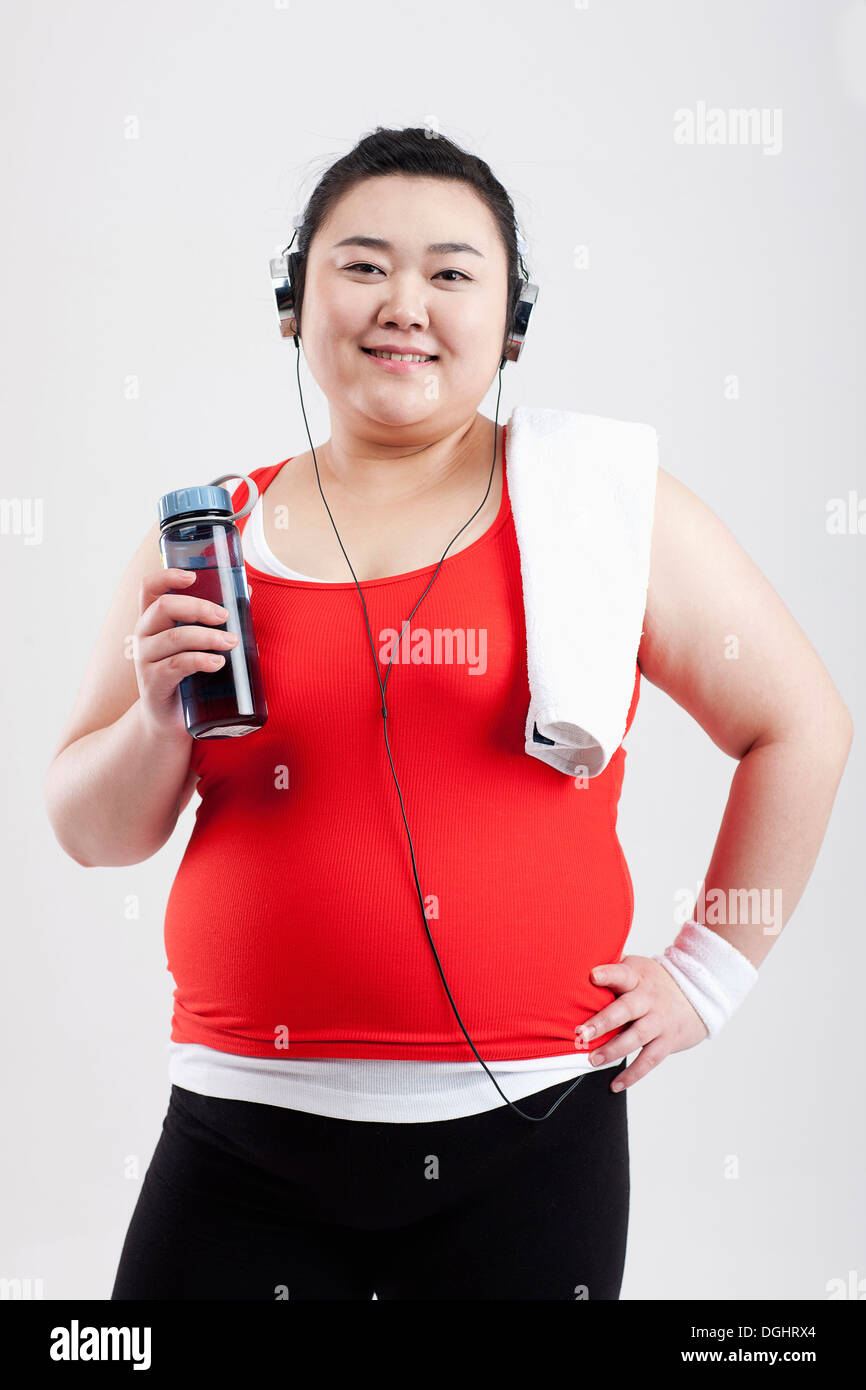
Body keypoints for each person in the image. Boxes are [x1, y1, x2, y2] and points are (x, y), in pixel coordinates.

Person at [45, 126, 853, 1301]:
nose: (402, 303)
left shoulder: (602, 513)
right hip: (239, 1132)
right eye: (362, 265)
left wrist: (710, 973)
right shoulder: (207, 540)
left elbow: (801, 724)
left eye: (451, 273)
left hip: (530, 1136)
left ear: (509, 321)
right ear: (293, 303)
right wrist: (158, 725)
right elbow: (89, 829)